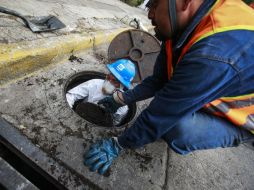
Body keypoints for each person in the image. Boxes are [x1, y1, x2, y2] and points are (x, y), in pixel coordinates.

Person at [84, 0, 254, 175]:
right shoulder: (180, 31)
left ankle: (237, 133)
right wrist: (121, 99)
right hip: (213, 82)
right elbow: (158, 80)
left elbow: (161, 113)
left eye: (155, 4)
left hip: (242, 119)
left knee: (177, 129)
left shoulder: (215, 53)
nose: (149, 14)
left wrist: (119, 144)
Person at [66, 59, 136, 125]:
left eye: (115, 81)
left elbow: (114, 124)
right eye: (108, 77)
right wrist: (71, 115)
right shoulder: (95, 84)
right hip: (81, 114)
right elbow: (71, 96)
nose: (109, 82)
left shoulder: (122, 107)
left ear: (122, 85)